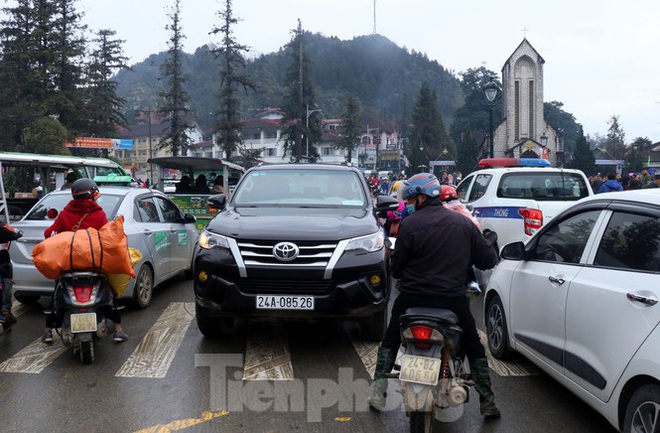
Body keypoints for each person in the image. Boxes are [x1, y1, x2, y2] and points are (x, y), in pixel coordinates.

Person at [368, 173, 501, 418]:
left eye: (411, 198)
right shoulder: (463, 224)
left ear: (421, 197)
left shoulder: (410, 225)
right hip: (452, 299)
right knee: (473, 344)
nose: (409, 203)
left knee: (389, 339)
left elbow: (396, 269)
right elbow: (488, 259)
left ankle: (378, 390)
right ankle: (488, 401)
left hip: (412, 298)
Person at [42, 178, 129, 343]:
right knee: (111, 293)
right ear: (93, 195)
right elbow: (106, 237)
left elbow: (49, 234)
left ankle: (47, 332)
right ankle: (118, 330)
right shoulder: (98, 214)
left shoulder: (65, 214)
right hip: (94, 264)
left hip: (70, 266)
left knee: (56, 294)